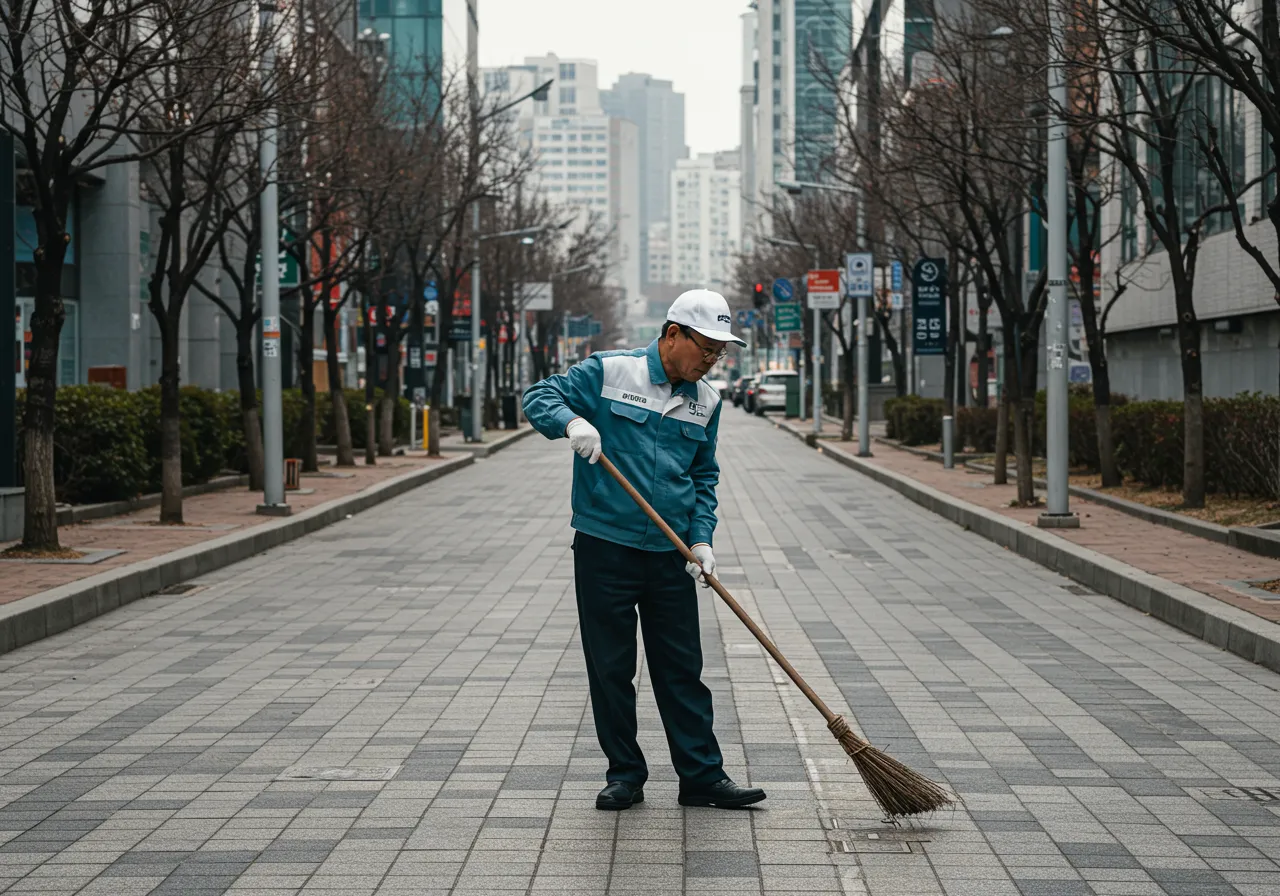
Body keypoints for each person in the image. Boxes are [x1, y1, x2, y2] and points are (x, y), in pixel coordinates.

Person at [523, 289, 767, 811]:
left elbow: (703, 476)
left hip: (670, 551)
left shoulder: (708, 400)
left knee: (682, 667)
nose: (711, 359)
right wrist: (572, 423)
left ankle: (702, 776)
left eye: (720, 352)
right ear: (672, 334)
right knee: (611, 666)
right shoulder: (610, 372)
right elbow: (538, 396)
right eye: (706, 346)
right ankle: (625, 774)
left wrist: (701, 538)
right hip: (605, 546)